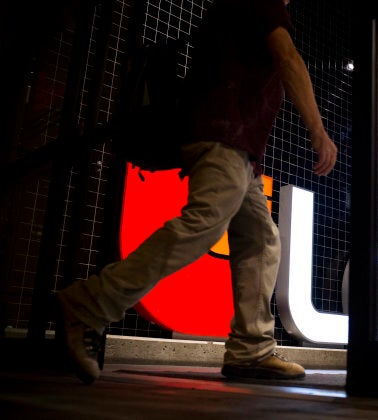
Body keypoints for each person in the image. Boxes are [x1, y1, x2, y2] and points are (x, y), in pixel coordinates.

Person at [56, 0, 337, 384]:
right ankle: (89, 304)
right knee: (204, 223)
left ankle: (250, 351)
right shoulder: (265, 2)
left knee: (260, 239)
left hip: (238, 147)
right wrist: (319, 132)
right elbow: (287, 57)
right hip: (223, 135)